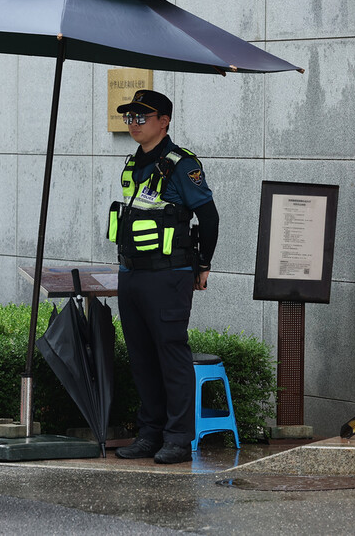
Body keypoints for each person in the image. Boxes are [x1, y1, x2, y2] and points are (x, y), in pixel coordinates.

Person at [108, 89, 219, 465]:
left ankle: (178, 438)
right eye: (129, 118)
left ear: (164, 121)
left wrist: (202, 265)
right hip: (132, 274)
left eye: (141, 117)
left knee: (171, 356)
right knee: (141, 359)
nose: (133, 124)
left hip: (170, 275)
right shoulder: (132, 163)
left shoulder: (182, 164)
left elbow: (209, 217)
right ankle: (149, 434)